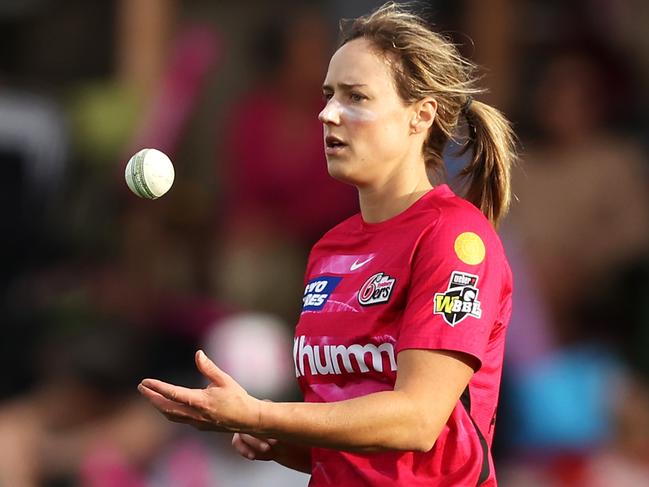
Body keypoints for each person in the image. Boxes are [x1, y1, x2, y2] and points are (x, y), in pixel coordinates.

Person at [138, 3, 516, 486]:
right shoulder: (330, 250)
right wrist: (279, 442)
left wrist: (262, 415)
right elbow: (353, 449)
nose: (327, 113)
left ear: (421, 115)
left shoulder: (453, 236)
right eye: (328, 94)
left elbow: (417, 421)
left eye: (355, 97)